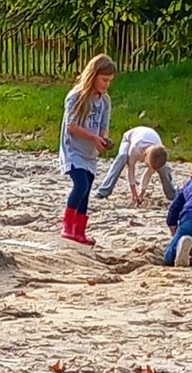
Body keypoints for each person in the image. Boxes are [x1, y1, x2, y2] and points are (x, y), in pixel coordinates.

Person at [59, 54, 116, 245]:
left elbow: (104, 125)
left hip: (91, 153)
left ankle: (80, 230)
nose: (106, 84)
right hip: (73, 150)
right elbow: (72, 126)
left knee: (88, 188)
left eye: (109, 81)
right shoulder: (76, 97)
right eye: (104, 80)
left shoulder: (105, 100)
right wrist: (93, 138)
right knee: (80, 184)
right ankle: (67, 225)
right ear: (93, 76)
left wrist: (103, 138)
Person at [95, 126, 176, 204]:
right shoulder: (135, 148)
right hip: (129, 139)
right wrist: (134, 192)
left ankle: (172, 195)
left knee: (163, 168)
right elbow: (131, 169)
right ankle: (103, 191)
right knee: (122, 157)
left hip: (150, 141)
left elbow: (147, 175)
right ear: (145, 157)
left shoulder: (159, 152)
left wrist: (141, 193)